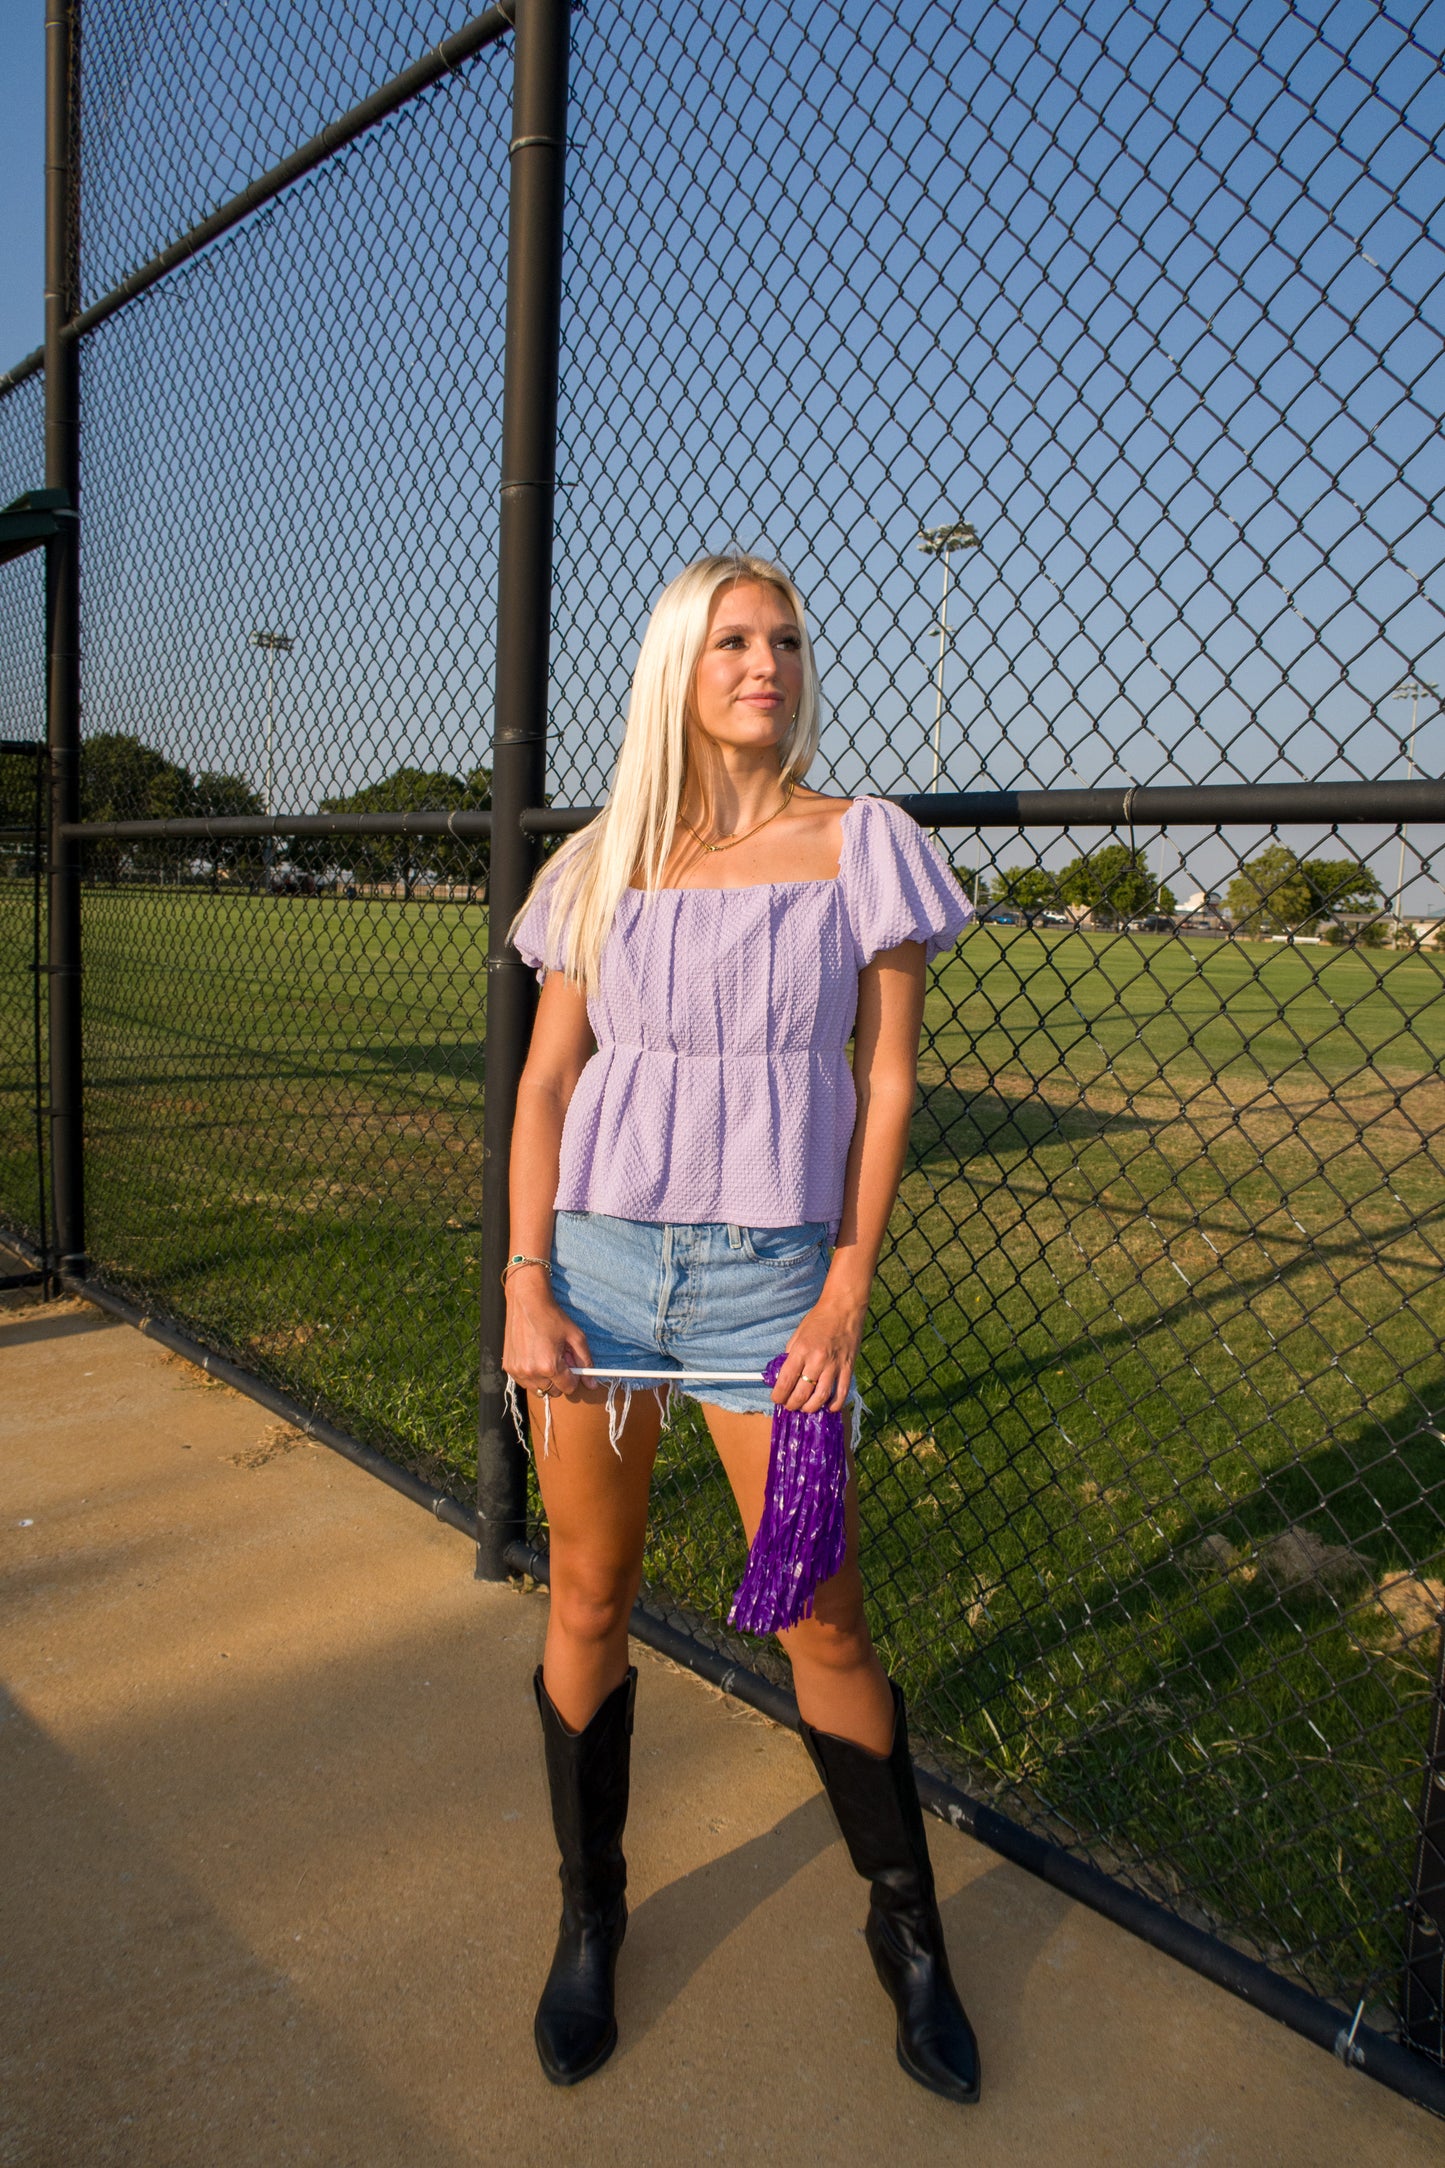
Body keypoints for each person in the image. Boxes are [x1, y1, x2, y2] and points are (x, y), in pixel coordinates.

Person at [503, 553, 979, 2103]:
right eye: (730, 639)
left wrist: (847, 1285)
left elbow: (888, 1079)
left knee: (818, 1619)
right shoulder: (600, 864)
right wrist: (524, 1279)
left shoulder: (864, 845)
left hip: (775, 1292)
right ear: (674, 669)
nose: (764, 660)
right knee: (588, 1594)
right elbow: (549, 1088)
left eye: (781, 637)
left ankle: (907, 1936)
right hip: (600, 1282)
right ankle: (592, 1918)